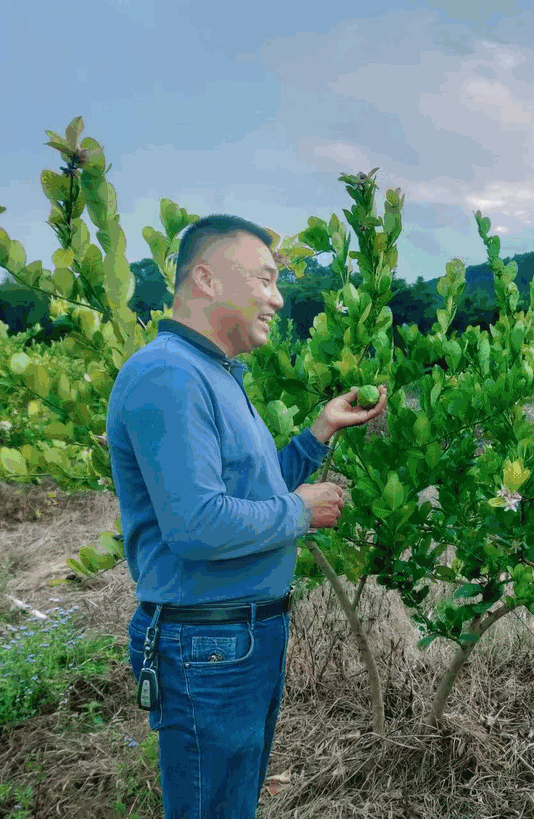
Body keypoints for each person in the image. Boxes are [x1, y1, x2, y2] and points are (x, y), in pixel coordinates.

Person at [106, 214, 387, 819]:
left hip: (234, 638)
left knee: (229, 804)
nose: (277, 298)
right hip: (207, 642)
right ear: (205, 278)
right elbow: (198, 526)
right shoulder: (169, 375)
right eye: (264, 279)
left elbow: (248, 492)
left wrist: (316, 435)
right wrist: (301, 512)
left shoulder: (213, 375)